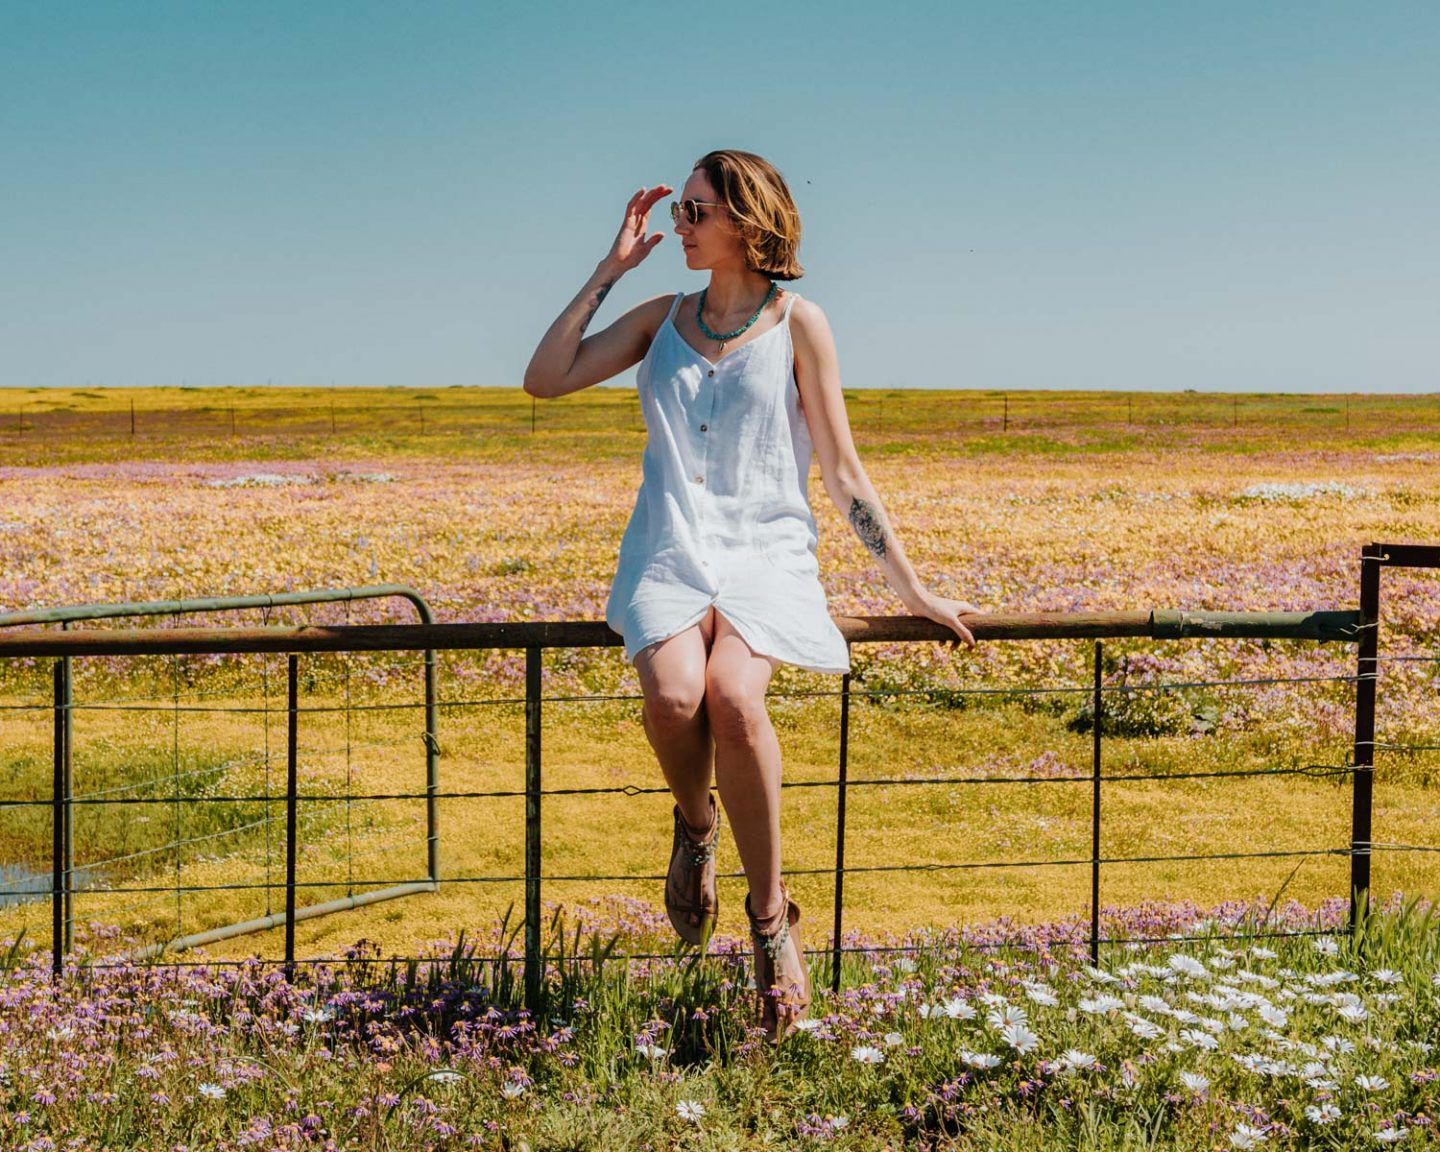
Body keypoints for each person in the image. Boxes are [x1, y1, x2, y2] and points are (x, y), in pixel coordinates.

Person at [523, 149, 978, 1040]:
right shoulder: (660, 319)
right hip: (670, 549)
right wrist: (610, 272)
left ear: (745, 219)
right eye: (681, 212)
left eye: (695, 212)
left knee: (734, 697)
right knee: (675, 694)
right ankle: (697, 832)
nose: (680, 227)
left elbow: (842, 470)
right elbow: (546, 377)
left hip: (767, 555)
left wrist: (911, 585)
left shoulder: (801, 323)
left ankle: (772, 929)